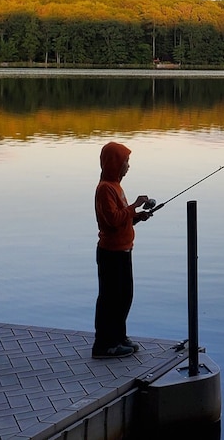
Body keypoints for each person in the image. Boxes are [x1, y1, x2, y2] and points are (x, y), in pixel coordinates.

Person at [93, 141, 151, 358]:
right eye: (126, 161)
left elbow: (122, 219)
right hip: (111, 252)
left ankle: (118, 337)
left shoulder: (115, 186)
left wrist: (137, 217)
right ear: (115, 163)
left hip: (124, 250)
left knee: (124, 296)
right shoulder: (105, 189)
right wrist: (134, 206)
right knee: (110, 298)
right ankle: (104, 344)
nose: (128, 166)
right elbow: (112, 220)